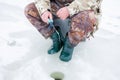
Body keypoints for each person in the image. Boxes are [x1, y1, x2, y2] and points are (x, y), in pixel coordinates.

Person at [24, 0, 103, 62]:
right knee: (30, 10)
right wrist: (44, 10)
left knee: (85, 20)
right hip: (58, 6)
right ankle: (56, 38)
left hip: (81, 8)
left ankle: (69, 45)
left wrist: (69, 9)